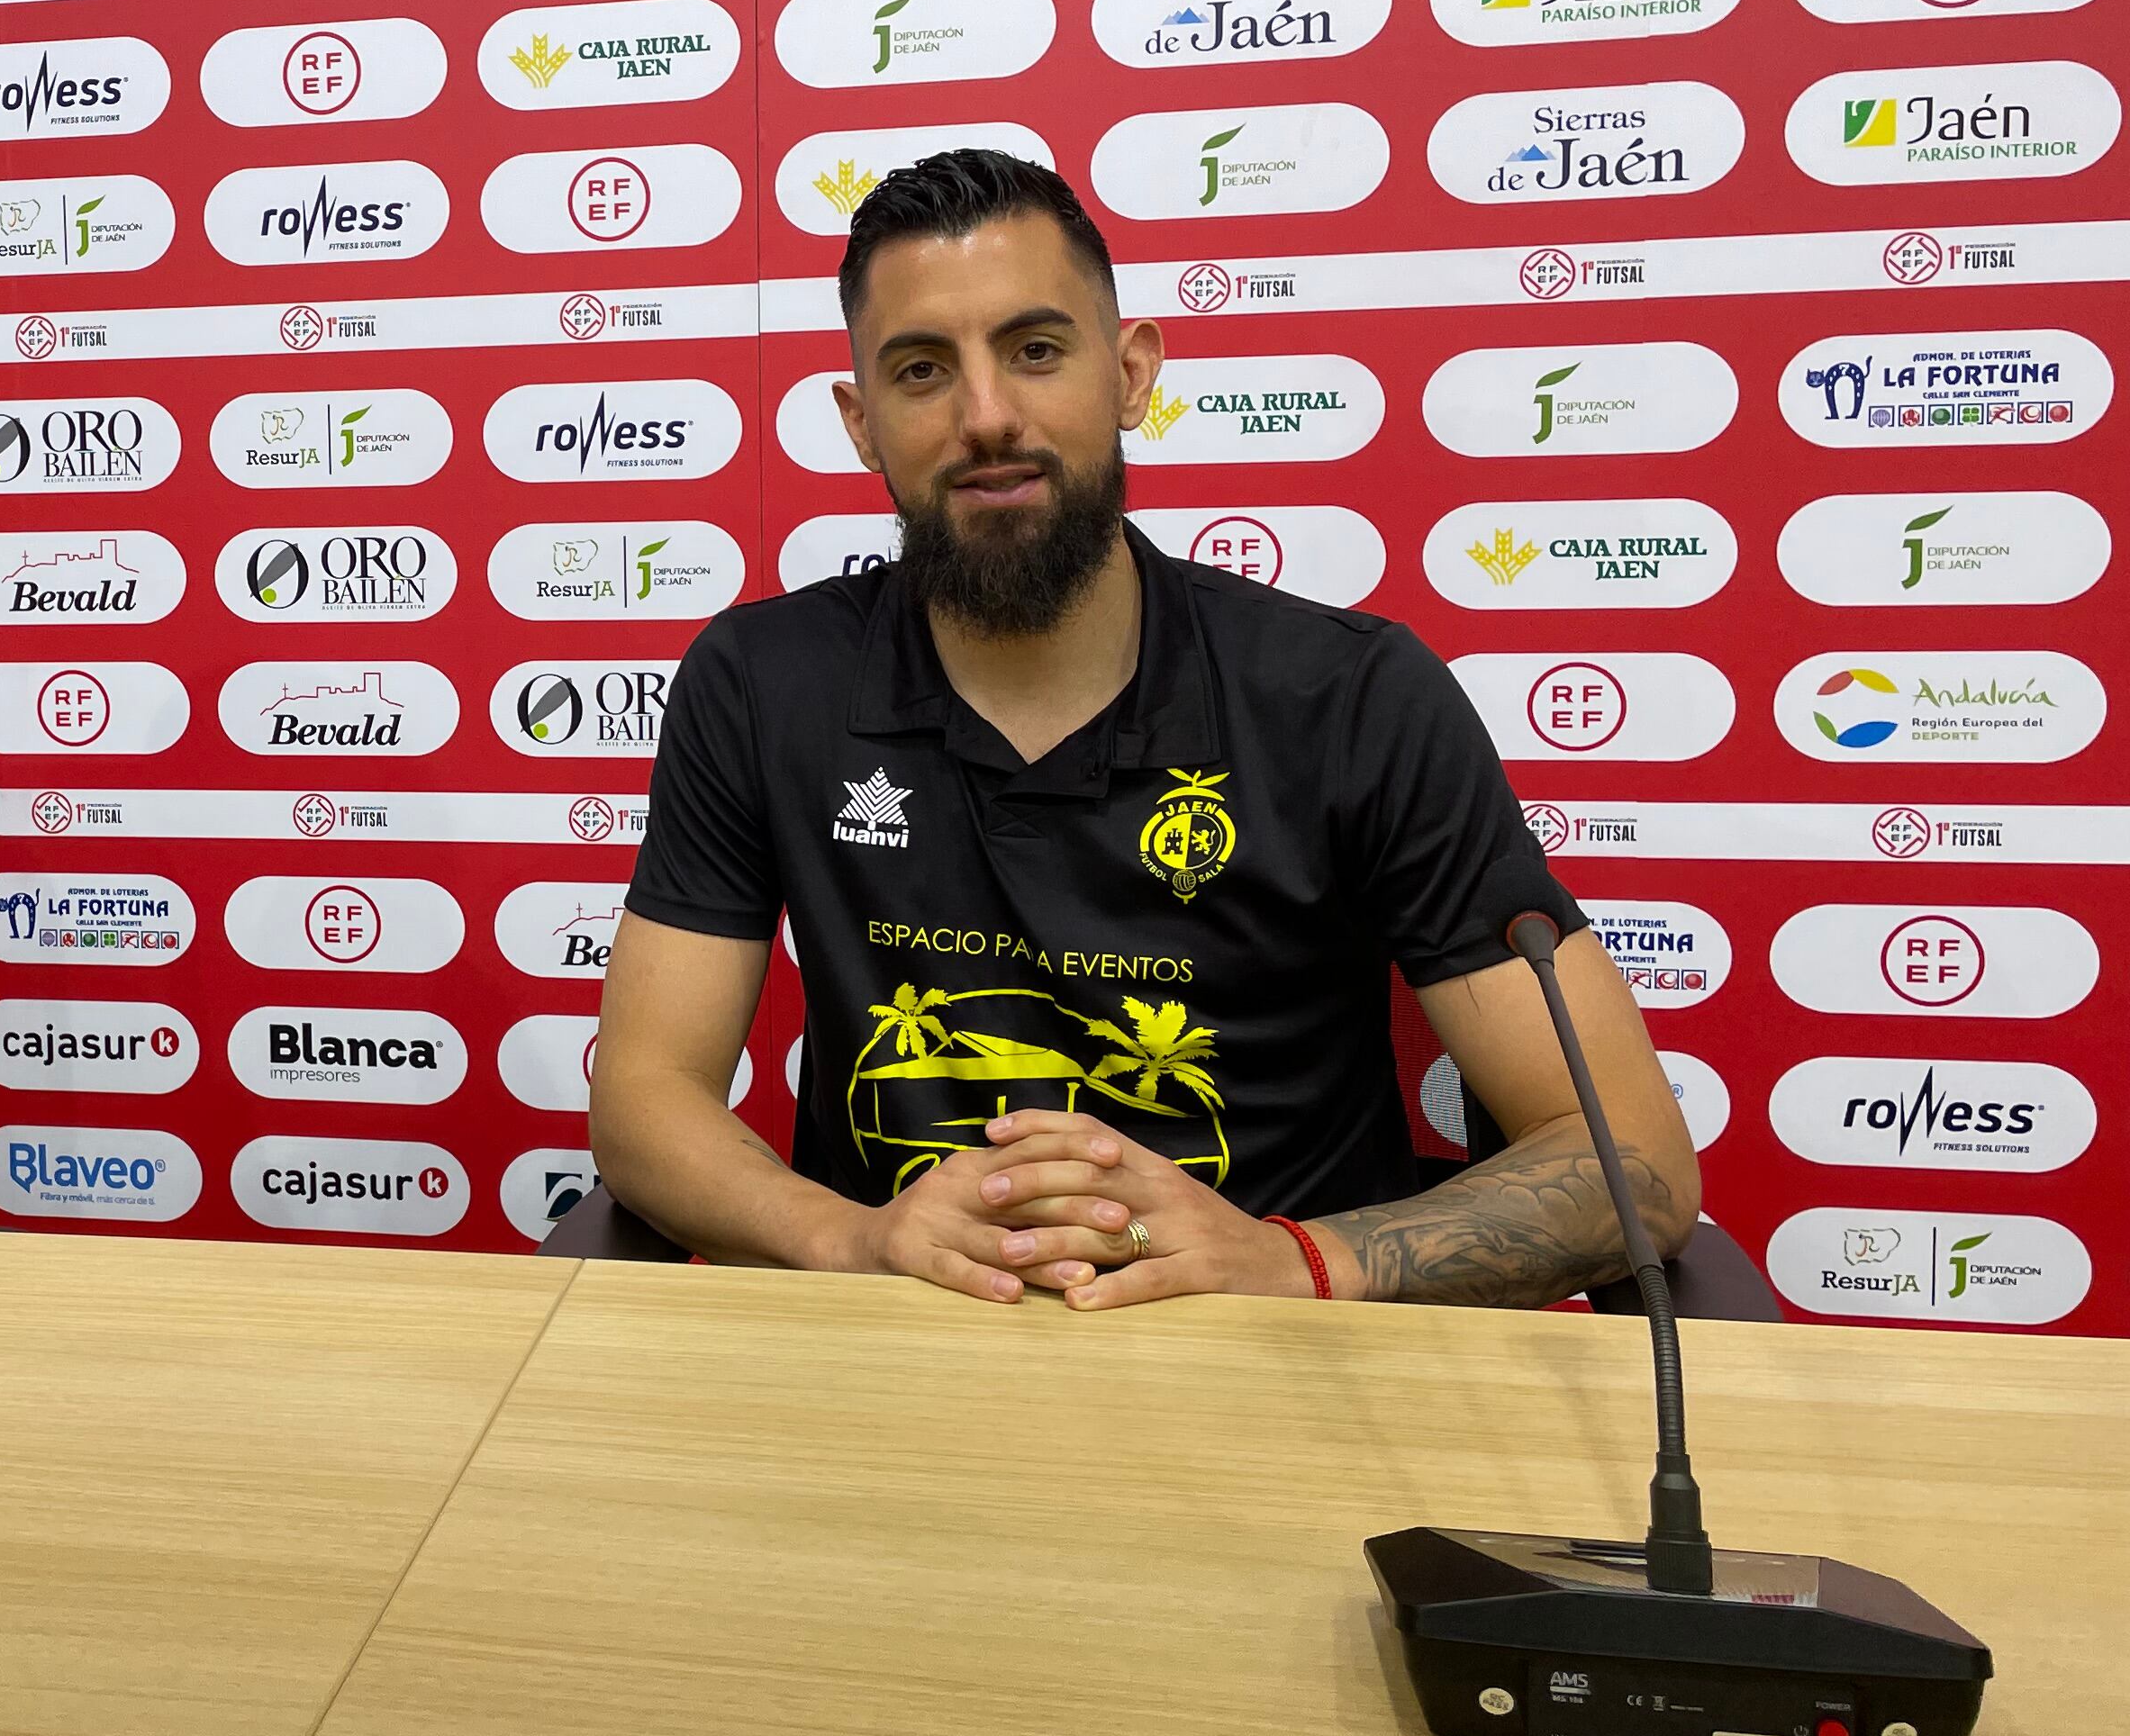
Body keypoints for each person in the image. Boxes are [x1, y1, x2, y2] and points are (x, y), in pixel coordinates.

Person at [588, 149, 1700, 1306]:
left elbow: (1637, 1163)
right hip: (906, 1357)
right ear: (861, 424)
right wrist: (851, 1242)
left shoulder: (1353, 696)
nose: (987, 417)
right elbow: (644, 1099)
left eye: (1035, 350)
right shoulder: (762, 681)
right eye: (922, 371)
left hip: (1284, 1361)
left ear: (1132, 373)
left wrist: (1292, 1260)